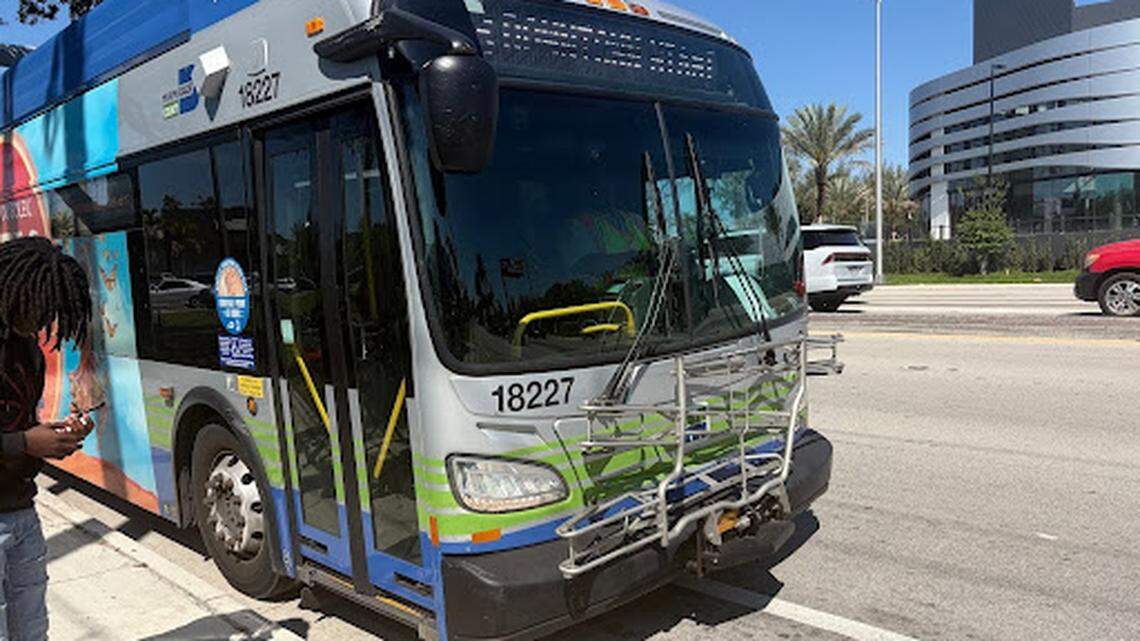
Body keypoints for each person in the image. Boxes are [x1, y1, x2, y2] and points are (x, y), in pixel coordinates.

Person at [0, 236, 93, 641]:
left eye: (48, 311)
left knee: (33, 631)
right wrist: (25, 443)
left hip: (21, 512)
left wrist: (54, 439)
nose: (40, 320)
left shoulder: (29, 351)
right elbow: (17, 438)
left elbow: (18, 424)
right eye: (36, 306)